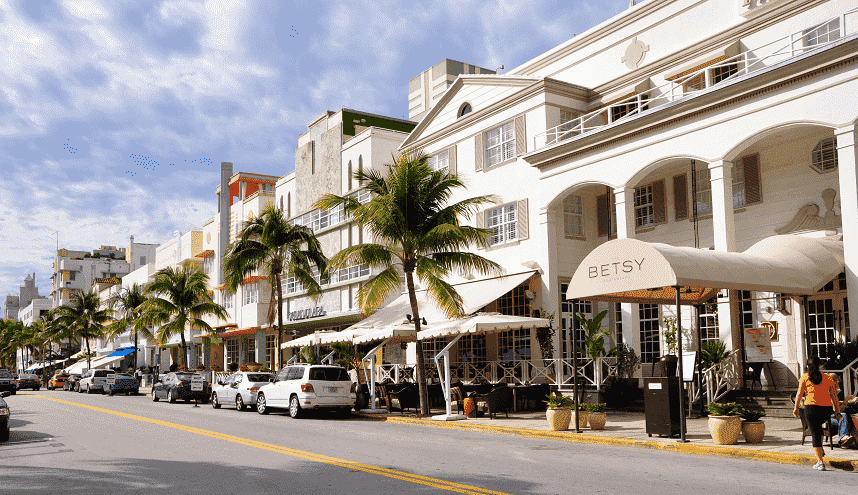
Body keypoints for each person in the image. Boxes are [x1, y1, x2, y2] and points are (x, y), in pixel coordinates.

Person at [793, 356, 840, 470]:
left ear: (808, 366)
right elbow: (834, 397)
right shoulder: (828, 378)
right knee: (818, 430)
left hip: (811, 408)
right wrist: (837, 411)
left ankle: (820, 462)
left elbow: (799, 394)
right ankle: (821, 450)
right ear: (820, 366)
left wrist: (796, 407)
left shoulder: (805, 377)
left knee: (815, 434)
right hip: (826, 410)